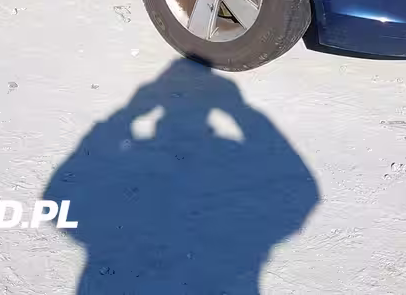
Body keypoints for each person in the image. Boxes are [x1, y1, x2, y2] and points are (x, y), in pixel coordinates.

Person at [42, 59, 319, 294]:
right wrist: (240, 111)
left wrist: (126, 116)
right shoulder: (228, 161)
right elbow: (301, 191)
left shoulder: (134, 163)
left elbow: (57, 197)